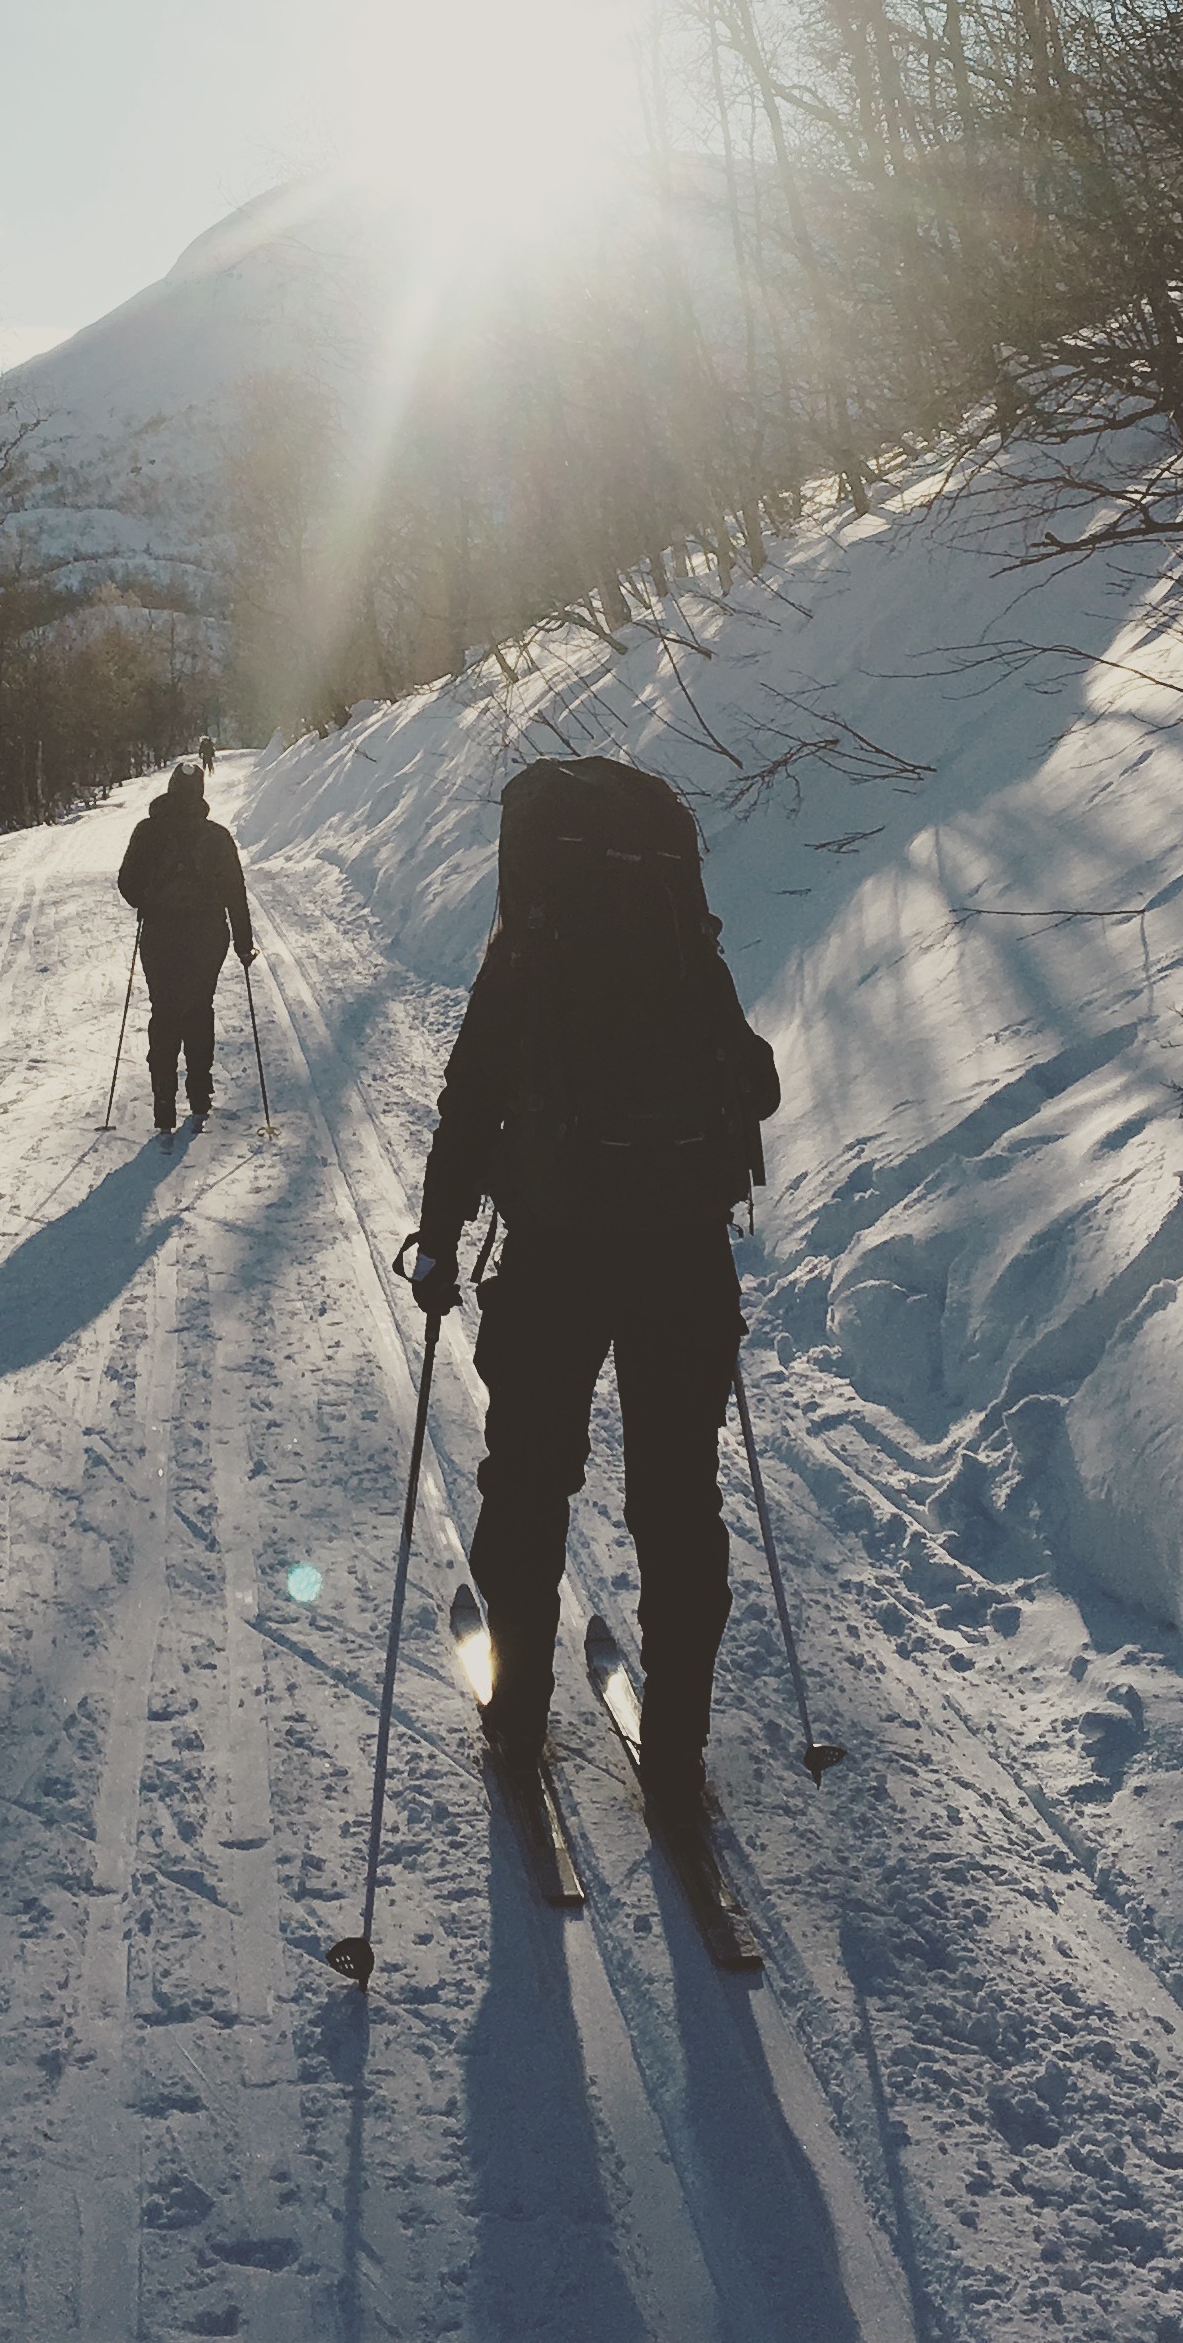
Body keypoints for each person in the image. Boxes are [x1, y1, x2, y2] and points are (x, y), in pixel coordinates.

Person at [404, 756, 778, 1828]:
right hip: (684, 1256)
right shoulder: (685, 951)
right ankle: (677, 1750)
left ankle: (518, 1717)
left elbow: (468, 1105)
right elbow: (754, 1080)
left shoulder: (526, 957)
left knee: (528, 1483)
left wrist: (437, 1244)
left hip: (561, 1253)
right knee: (677, 1501)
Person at [116, 760, 254, 1134]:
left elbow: (127, 885)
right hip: (207, 936)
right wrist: (244, 944)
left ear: (170, 789)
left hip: (160, 934)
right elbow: (235, 894)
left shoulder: (146, 832)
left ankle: (163, 1096)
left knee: (164, 1009)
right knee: (198, 1007)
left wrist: (148, 897)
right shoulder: (217, 837)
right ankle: (199, 1092)